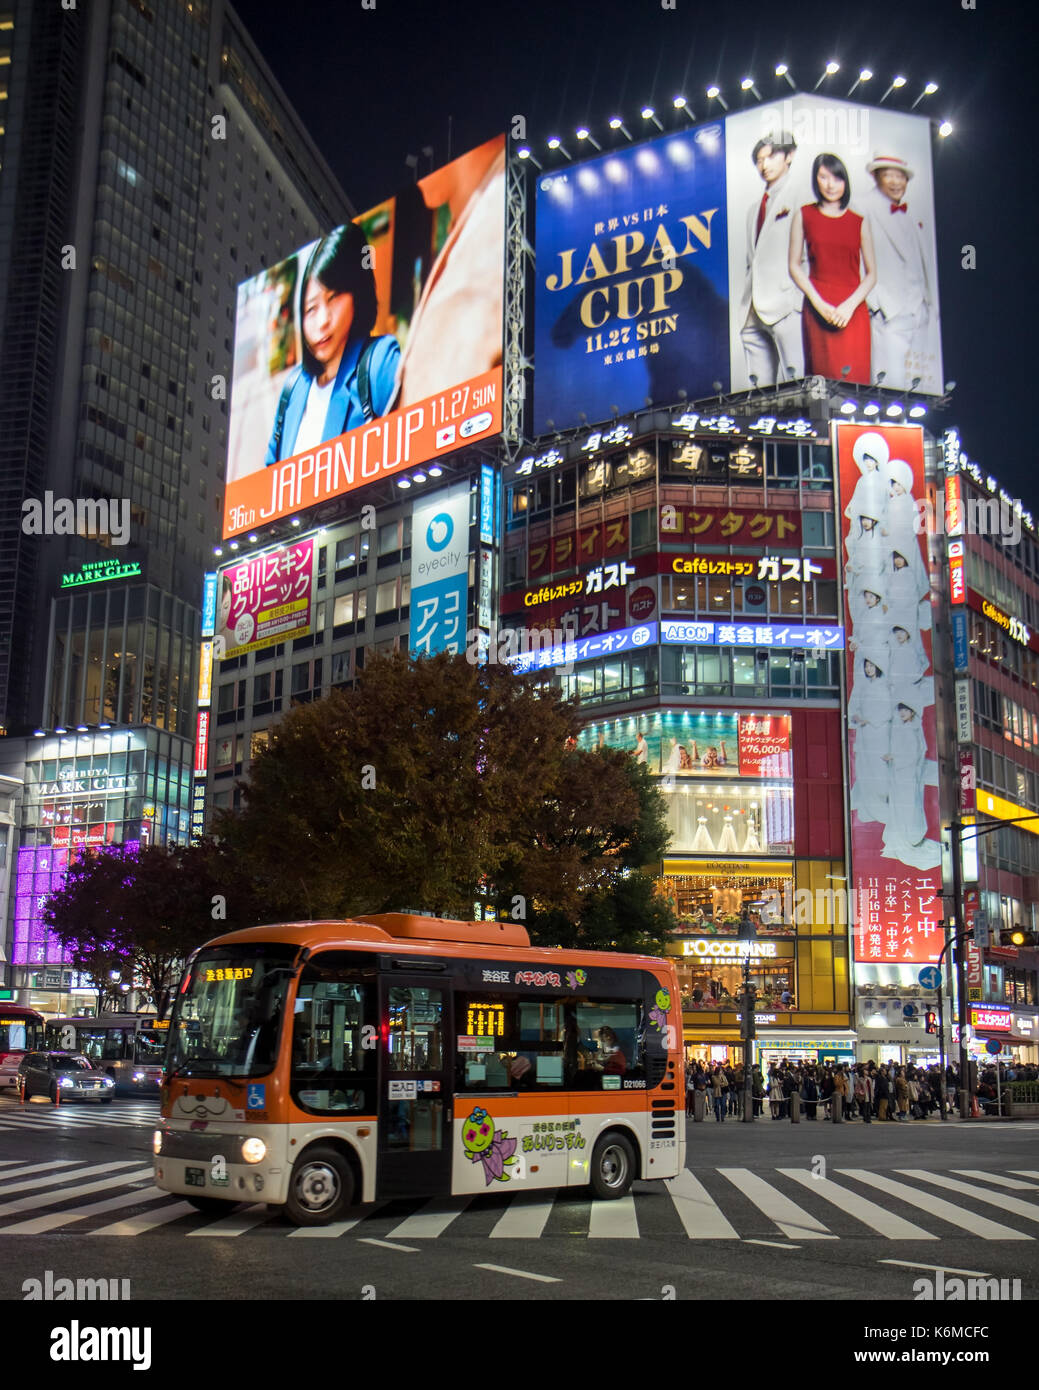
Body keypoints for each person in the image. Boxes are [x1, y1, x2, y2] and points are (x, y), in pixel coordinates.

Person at [265, 223, 401, 465]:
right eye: (311, 309)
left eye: (334, 298)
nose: (323, 321)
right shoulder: (293, 388)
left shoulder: (380, 362)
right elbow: (268, 488)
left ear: (356, 294)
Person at [788, 153, 877, 385]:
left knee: (855, 386)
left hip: (853, 311)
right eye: (824, 177)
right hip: (818, 308)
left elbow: (872, 274)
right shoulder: (804, 214)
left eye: (837, 178)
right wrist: (819, 305)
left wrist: (848, 307)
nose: (830, 185)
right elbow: (793, 266)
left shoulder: (859, 220)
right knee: (821, 390)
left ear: (845, 182)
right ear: (815, 179)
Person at [862, 153, 934, 391]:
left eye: (900, 176)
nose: (895, 182)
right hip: (889, 314)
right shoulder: (863, 207)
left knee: (918, 389)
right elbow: (855, 258)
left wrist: (927, 306)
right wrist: (878, 305)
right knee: (889, 389)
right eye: (888, 175)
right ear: (875, 177)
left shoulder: (912, 213)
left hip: (918, 313)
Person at [739, 133, 805, 387]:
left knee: (797, 384)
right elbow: (751, 260)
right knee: (757, 398)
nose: (764, 165)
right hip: (752, 309)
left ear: (789, 156)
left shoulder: (803, 195)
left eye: (771, 157)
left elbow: (810, 251)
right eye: (759, 160)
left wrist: (797, 298)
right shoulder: (753, 209)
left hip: (786, 304)